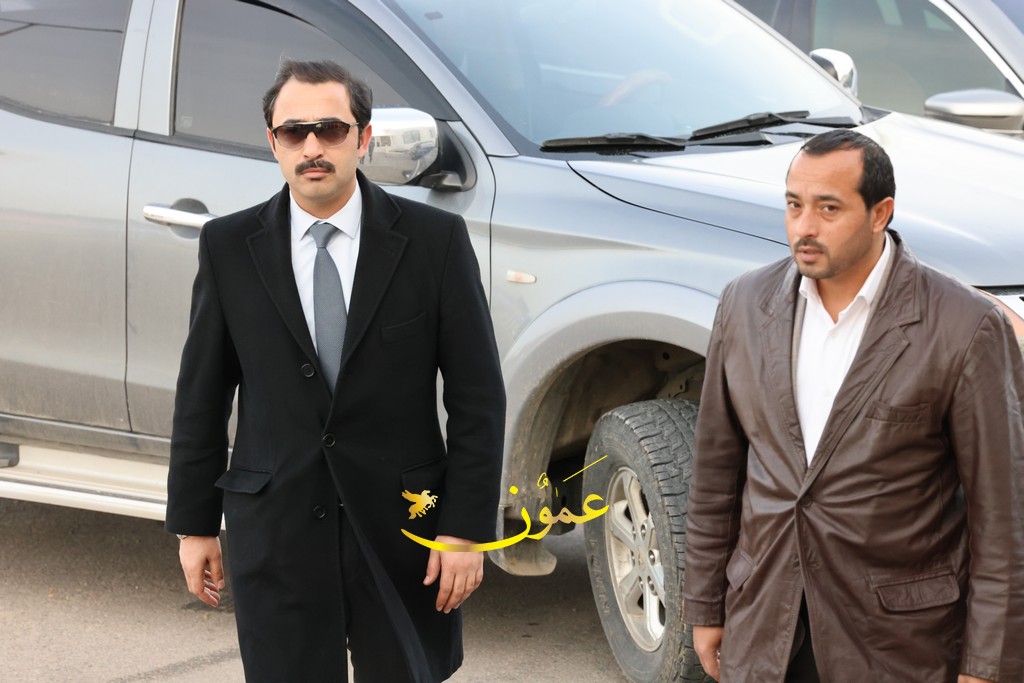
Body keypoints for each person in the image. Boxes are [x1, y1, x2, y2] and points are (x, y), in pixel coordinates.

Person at [165, 59, 505, 683]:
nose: (312, 147)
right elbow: (201, 398)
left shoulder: (435, 242)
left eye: (331, 129)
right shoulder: (228, 247)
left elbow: (478, 396)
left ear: (363, 137)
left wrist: (464, 531)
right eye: (294, 132)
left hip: (407, 532)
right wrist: (194, 525)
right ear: (273, 142)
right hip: (277, 531)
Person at [683, 129, 1024, 682]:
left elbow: (1003, 515)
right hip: (765, 623)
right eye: (794, 206)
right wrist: (704, 606)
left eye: (828, 208)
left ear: (879, 213)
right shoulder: (743, 304)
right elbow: (716, 474)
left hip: (896, 642)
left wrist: (988, 666)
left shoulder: (964, 326)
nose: (804, 228)